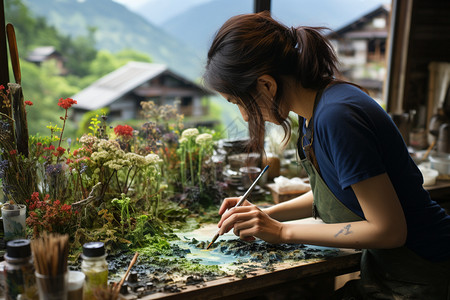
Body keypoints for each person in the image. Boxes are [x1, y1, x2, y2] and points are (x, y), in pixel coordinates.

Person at [203, 12, 450, 299]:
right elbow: (336, 193)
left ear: (266, 85)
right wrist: (264, 216)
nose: (244, 116)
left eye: (238, 102)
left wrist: (282, 232)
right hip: (394, 271)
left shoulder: (337, 117)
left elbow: (389, 230)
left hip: (427, 272)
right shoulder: (315, 111)